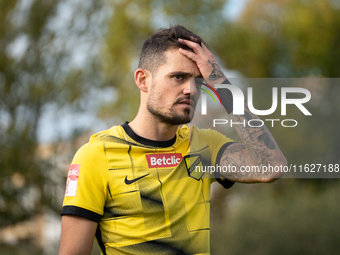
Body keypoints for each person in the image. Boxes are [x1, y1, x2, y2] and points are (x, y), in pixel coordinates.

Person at [58, 25, 287, 255]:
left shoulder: (204, 146)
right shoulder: (96, 155)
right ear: (143, 80)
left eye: (199, 81)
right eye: (178, 77)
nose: (191, 90)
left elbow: (272, 166)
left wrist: (219, 80)